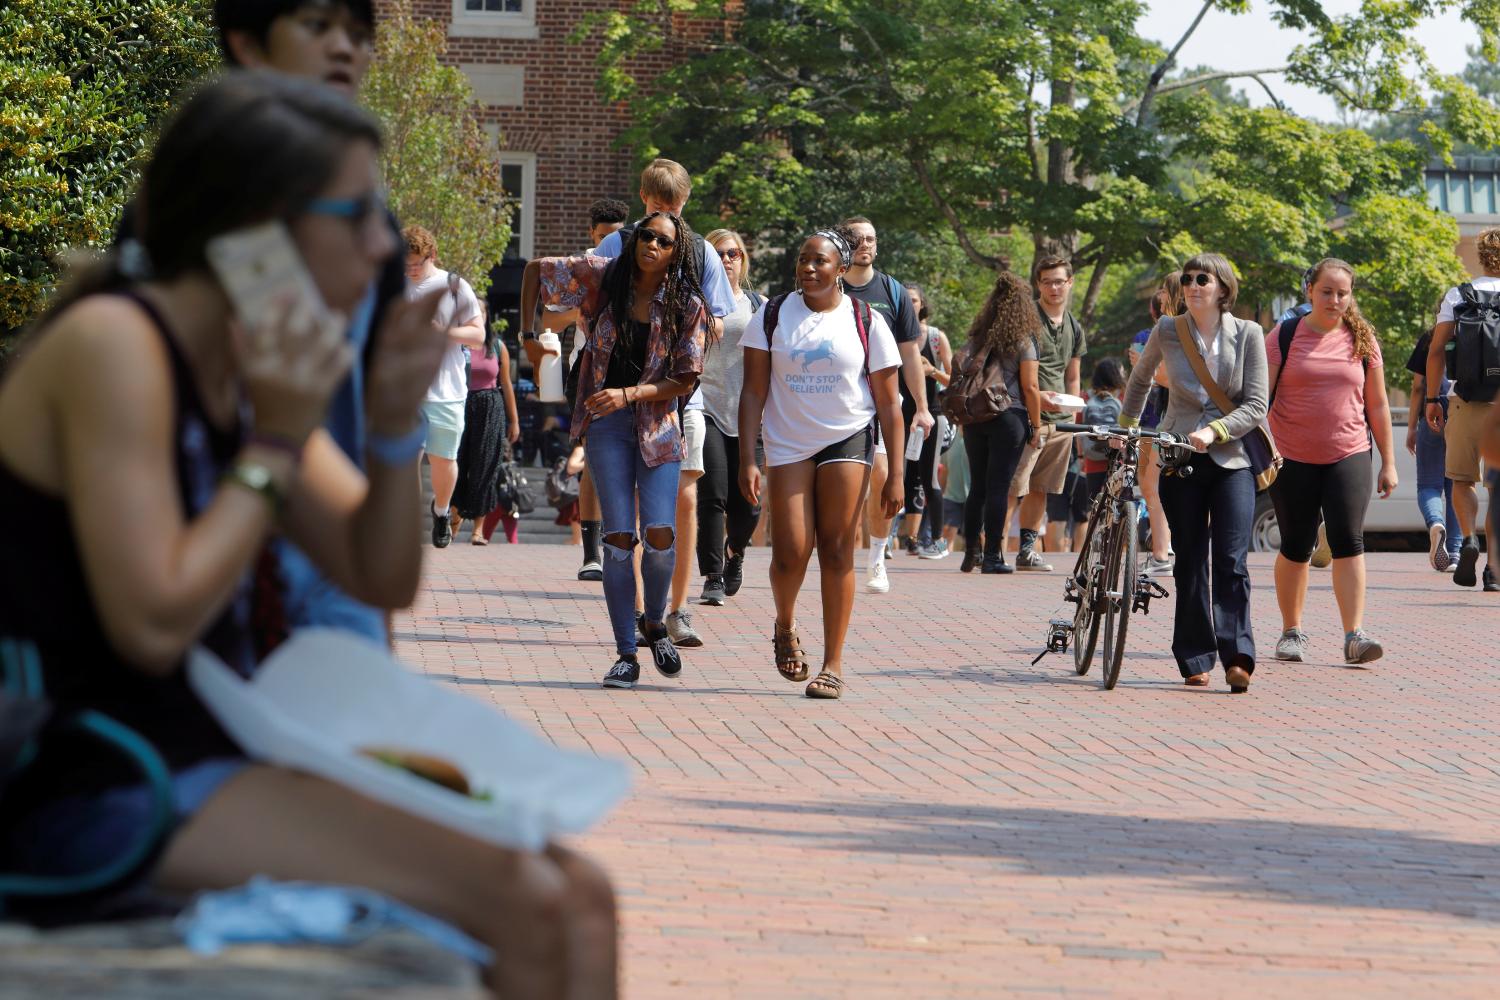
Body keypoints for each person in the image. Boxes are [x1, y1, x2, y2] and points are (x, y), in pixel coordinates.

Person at [0, 73, 616, 996]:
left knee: (580, 892)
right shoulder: (116, 346)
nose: (381, 246)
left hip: (200, 749)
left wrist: (387, 428)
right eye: (358, 212)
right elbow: (153, 622)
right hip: (94, 774)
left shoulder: (251, 362)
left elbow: (378, 573)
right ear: (260, 225)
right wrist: (278, 440)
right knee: (527, 902)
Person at [520, 212, 710, 690]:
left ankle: (656, 621)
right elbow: (533, 270)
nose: (651, 245)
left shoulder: (687, 303)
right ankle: (627, 651)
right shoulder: (603, 278)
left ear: (675, 251)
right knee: (620, 540)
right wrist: (528, 338)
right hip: (606, 426)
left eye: (663, 241)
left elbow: (686, 377)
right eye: (645, 236)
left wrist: (630, 394)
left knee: (661, 533)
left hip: (659, 424)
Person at [738, 230, 904, 699]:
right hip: (788, 442)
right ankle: (785, 624)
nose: (809, 268)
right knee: (789, 549)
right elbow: (753, 392)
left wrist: (896, 474)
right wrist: (748, 456)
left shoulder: (865, 319)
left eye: (820, 261)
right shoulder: (771, 316)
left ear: (841, 269)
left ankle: (832, 664)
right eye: (803, 260)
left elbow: (891, 405)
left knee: (836, 548)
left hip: (847, 435)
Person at [1119, 253, 1268, 693]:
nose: (1193, 285)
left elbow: (1257, 405)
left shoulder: (1249, 334)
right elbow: (1141, 379)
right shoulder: (1169, 330)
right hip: (1178, 456)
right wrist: (1126, 429)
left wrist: (1216, 430)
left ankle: (1238, 655)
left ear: (1223, 287)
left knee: (1231, 560)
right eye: (1187, 279)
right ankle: (1194, 656)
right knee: (1189, 561)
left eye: (1203, 279)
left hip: (1232, 459)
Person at [1265, 259, 1395, 665]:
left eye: (1342, 293)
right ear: (1310, 291)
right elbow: (1259, 401)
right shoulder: (1284, 335)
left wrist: (1388, 461)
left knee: (1349, 541)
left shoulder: (1363, 338)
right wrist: (1262, 449)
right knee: (1296, 544)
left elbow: (1378, 403)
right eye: (1327, 291)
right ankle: (1292, 631)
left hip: (1350, 453)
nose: (1335, 300)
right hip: (1291, 456)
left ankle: (1354, 636)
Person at [836, 217, 933, 593]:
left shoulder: (892, 292)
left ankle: (877, 558)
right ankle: (840, 552)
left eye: (871, 239)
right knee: (843, 484)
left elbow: (910, 355)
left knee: (881, 476)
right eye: (857, 238)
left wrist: (922, 407)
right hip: (833, 400)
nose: (865, 244)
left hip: (880, 404)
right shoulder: (829, 285)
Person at [1425, 227, 1500, 590]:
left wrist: (1430, 399)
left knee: (1461, 479)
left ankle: (1468, 537)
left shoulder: (1459, 294)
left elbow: (1437, 350)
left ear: (1481, 256)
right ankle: (1494, 570)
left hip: (1465, 399)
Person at [955, 272, 1043, 574]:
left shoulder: (978, 334)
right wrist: (1037, 424)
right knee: (998, 487)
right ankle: (993, 556)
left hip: (976, 415)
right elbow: (1030, 387)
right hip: (1009, 416)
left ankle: (971, 553)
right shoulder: (1023, 339)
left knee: (977, 487)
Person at [404, 226, 485, 548]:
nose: (410, 270)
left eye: (416, 264)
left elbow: (478, 336)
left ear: (432, 256)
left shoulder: (453, 286)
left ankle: (440, 510)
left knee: (443, 460)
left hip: (445, 390)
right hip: (404, 391)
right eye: (405, 264)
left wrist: (443, 332)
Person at [696, 229, 765, 606]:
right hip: (705, 407)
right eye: (718, 253)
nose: (726, 259)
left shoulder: (759, 305)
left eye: (733, 253)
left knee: (749, 504)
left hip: (749, 413)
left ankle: (735, 550)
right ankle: (712, 576)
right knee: (713, 496)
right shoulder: (695, 302)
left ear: (743, 259)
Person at [1009, 255, 1088, 572]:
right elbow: (1012, 373)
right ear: (1038, 285)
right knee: (1013, 487)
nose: (1054, 287)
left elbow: (1073, 377)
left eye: (1059, 281)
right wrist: (1040, 399)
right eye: (1047, 281)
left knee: (1041, 487)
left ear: (1070, 283)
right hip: (1026, 416)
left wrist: (1073, 415)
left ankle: (1026, 550)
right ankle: (993, 551)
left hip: (1061, 422)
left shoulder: (1074, 326)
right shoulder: (1028, 319)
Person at [569, 199, 629, 581]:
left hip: (631, 372)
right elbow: (556, 312)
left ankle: (620, 543)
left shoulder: (636, 263)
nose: (610, 243)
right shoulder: (583, 266)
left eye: (617, 235)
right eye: (604, 236)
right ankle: (591, 553)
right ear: (593, 234)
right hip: (590, 369)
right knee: (592, 461)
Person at [452, 301, 521, 546]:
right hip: (459, 404)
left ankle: (478, 530)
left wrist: (514, 420)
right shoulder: (456, 344)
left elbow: (507, 384)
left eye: (479, 311)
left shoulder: (498, 346)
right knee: (456, 463)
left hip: (490, 407)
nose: (475, 315)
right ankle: (452, 522)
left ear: (486, 314)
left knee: (485, 467)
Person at [1129, 277, 1177, 575]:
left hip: (1157, 420)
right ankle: (1165, 546)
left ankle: (1162, 551)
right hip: (1172, 420)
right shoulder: (1201, 330)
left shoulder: (1153, 334)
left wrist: (1140, 365)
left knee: (1151, 485)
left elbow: (1147, 379)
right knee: (1155, 485)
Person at [1406, 325, 1462, 572]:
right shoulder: (1478, 335)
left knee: (1429, 484)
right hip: (1465, 414)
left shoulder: (1430, 339)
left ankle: (1435, 523)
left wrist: (1411, 428)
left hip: (1433, 412)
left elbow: (1418, 386)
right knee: (1458, 485)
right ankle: (1456, 553)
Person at [902, 284, 952, 557]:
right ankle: (909, 539)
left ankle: (938, 541)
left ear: (922, 304)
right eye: (905, 300)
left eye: (914, 300)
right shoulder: (894, 335)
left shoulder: (935, 338)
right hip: (902, 417)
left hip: (934, 416)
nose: (910, 305)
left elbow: (956, 381)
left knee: (929, 478)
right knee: (905, 478)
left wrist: (932, 370)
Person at [1078, 358, 1126, 509]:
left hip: (1092, 459)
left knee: (1093, 507)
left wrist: (1080, 456)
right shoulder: (1121, 399)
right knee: (1116, 506)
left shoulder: (1085, 398)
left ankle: (1093, 532)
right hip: (1117, 459)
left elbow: (1079, 430)